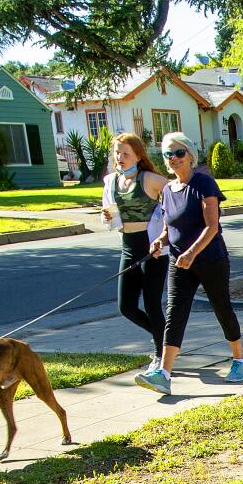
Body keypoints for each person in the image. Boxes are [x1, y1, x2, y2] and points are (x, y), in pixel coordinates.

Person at [141, 131, 243, 396]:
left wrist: (192, 253)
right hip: (179, 262)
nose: (174, 158)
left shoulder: (203, 183)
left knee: (221, 308)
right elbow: (170, 228)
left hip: (210, 259)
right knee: (175, 312)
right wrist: (160, 241)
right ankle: (164, 374)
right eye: (168, 154)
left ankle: (240, 361)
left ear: (190, 155)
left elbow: (212, 226)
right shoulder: (167, 190)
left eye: (179, 153)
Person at [100, 133, 171, 384]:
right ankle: (166, 341)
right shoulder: (111, 182)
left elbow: (178, 197)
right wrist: (107, 217)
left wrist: (164, 234)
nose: (120, 158)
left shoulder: (150, 179)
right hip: (128, 246)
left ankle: (162, 356)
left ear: (139, 156)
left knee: (152, 303)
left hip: (152, 248)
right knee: (126, 307)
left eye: (126, 153)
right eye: (117, 153)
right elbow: (109, 214)